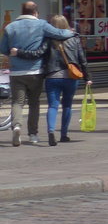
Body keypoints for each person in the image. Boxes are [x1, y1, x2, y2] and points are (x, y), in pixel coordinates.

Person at [3, 1, 75, 147]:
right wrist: (72, 32)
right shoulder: (42, 25)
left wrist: (13, 53)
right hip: (36, 71)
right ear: (36, 12)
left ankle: (17, 126)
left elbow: (3, 49)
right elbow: (60, 33)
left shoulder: (10, 27)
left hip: (17, 72)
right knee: (34, 103)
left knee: (17, 102)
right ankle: (33, 134)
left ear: (21, 11)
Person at [43, 14, 91, 145]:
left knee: (53, 106)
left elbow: (42, 57)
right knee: (67, 106)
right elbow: (82, 59)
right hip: (71, 76)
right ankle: (64, 134)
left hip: (52, 76)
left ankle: (51, 131)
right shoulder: (74, 38)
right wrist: (87, 77)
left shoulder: (47, 39)